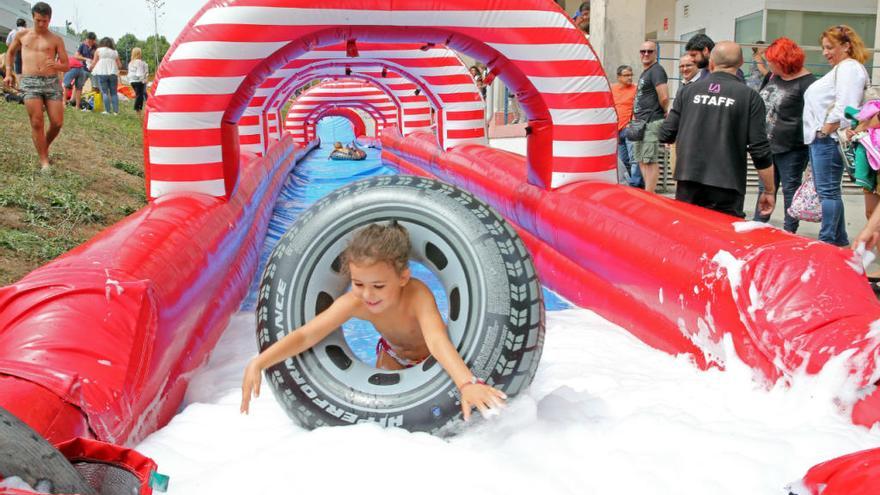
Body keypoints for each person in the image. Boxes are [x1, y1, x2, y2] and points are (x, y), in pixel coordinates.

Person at [240, 222, 506, 421]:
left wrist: (466, 383)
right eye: (358, 284)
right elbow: (307, 335)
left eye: (378, 285)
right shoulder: (354, 303)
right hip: (391, 355)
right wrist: (259, 361)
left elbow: (436, 339)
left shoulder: (417, 295)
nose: (368, 295)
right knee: (390, 416)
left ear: (403, 277)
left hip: (431, 359)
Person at [658, 41, 776, 218]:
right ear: (741, 62)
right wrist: (769, 190)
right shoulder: (750, 97)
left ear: (711, 62)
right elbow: (760, 149)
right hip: (727, 184)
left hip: (688, 180)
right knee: (722, 239)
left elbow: (665, 134)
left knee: (687, 236)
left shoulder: (688, 92)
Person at [803, 25, 869, 246]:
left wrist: (825, 130)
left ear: (846, 46)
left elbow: (846, 106)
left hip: (828, 139)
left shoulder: (849, 68)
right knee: (829, 191)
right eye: (824, 48)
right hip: (824, 137)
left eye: (830, 47)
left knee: (828, 192)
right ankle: (837, 239)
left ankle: (828, 241)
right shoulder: (844, 68)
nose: (825, 53)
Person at [751, 37, 816, 233]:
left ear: (785, 61)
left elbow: (812, 117)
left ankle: (789, 231)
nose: (769, 65)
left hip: (792, 147)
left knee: (790, 189)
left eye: (772, 61)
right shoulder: (772, 76)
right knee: (764, 189)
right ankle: (757, 225)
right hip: (767, 144)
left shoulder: (808, 83)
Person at [4, 2, 68, 172]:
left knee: (57, 123)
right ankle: (44, 161)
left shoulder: (56, 39)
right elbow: (10, 53)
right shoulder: (22, 35)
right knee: (37, 121)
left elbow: (66, 64)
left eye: (45, 21)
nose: (41, 24)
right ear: (33, 17)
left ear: (50, 20)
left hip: (51, 82)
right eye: (38, 20)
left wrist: (56, 66)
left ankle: (43, 146)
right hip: (30, 82)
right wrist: (9, 72)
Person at [631, 40, 669, 193]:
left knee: (649, 159)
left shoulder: (657, 70)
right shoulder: (646, 71)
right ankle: (648, 193)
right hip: (640, 122)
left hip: (651, 121)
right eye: (643, 51)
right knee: (641, 158)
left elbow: (664, 97)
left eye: (650, 51)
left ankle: (650, 194)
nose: (646, 54)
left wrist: (664, 111)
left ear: (656, 53)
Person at [611, 64, 641, 186]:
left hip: (630, 128)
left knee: (635, 160)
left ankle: (635, 185)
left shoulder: (636, 89)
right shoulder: (612, 89)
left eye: (631, 75)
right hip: (617, 130)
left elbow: (640, 108)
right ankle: (626, 185)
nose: (630, 78)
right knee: (623, 161)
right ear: (619, 77)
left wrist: (633, 123)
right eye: (626, 75)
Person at [91, 37, 121, 115]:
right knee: (114, 93)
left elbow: (94, 62)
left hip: (102, 72)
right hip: (113, 73)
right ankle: (116, 112)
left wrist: (90, 68)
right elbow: (120, 65)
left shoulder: (98, 50)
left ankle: (107, 111)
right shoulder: (115, 52)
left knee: (104, 92)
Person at [68, 32, 96, 112]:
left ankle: (92, 102)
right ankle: (72, 100)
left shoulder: (96, 47)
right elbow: (76, 56)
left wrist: (93, 63)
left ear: (94, 41)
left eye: (91, 42)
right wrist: (86, 59)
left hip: (94, 70)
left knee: (95, 87)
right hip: (83, 69)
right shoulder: (82, 46)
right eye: (88, 41)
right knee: (78, 85)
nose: (89, 43)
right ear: (86, 39)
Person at [5, 18, 27, 87]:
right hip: (25, 52)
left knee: (17, 71)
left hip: (15, 52)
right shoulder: (27, 31)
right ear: (25, 24)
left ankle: (18, 86)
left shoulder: (12, 32)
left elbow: (7, 43)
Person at [128, 47, 149, 116]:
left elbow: (130, 73)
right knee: (139, 96)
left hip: (132, 81)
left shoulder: (131, 63)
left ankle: (139, 110)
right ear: (139, 54)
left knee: (138, 95)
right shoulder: (139, 62)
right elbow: (139, 73)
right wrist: (144, 80)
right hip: (139, 81)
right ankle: (138, 109)